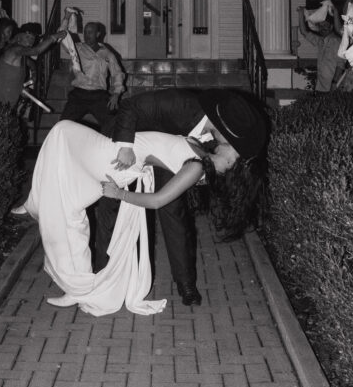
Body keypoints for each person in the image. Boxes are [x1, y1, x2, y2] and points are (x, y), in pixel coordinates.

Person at [13, 117, 263, 317]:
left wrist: (120, 194)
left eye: (232, 154)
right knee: (69, 210)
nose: (229, 147)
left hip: (113, 160)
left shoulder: (197, 168)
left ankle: (37, 206)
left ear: (229, 166)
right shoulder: (202, 151)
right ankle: (77, 288)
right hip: (121, 154)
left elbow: (157, 200)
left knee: (61, 130)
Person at [95, 87, 270, 305]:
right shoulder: (182, 105)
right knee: (111, 207)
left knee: (173, 212)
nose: (231, 150)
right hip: (126, 143)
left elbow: (195, 166)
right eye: (232, 147)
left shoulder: (213, 142)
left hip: (162, 158)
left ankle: (186, 283)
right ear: (224, 127)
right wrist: (125, 146)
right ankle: (101, 275)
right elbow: (131, 105)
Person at [0, 22, 65, 108]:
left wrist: (33, 75)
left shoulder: (23, 57)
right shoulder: (15, 50)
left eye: (33, 38)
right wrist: (54, 37)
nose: (30, 40)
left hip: (6, 103)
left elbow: (32, 64)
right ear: (18, 38)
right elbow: (36, 51)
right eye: (27, 37)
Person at [59, 21, 125, 129]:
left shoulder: (107, 53)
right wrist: (66, 17)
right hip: (79, 94)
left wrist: (116, 94)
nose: (86, 35)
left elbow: (117, 73)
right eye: (85, 32)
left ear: (98, 34)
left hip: (98, 95)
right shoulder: (77, 48)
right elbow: (62, 37)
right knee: (63, 125)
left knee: (113, 125)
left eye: (90, 32)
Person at [296, 2, 344, 93]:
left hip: (332, 86)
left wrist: (334, 82)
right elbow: (304, 32)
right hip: (321, 86)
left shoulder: (336, 41)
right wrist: (300, 13)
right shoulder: (321, 41)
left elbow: (340, 64)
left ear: (331, 27)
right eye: (321, 26)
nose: (323, 28)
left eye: (325, 25)